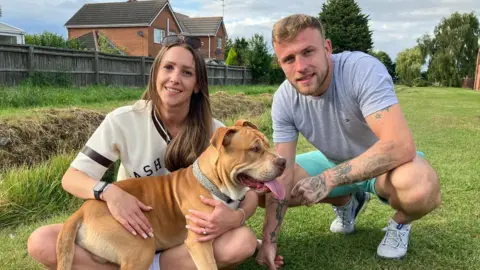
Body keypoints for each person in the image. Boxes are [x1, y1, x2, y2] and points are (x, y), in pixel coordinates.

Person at [27, 35, 258, 270]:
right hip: (127, 228)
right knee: (41, 241)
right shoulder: (123, 120)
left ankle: (144, 264)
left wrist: (235, 218)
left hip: (180, 238)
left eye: (187, 73)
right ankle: (140, 261)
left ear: (198, 84)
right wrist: (111, 194)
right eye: (168, 67)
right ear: (155, 72)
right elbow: (71, 178)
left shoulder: (217, 134)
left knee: (242, 242)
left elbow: (248, 193)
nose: (175, 79)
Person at [255, 14, 441, 269]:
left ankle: (399, 223)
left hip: (385, 166)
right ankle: (347, 201)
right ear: (280, 63)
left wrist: (329, 179)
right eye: (289, 59)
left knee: (421, 188)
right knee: (267, 187)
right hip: (332, 160)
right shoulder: (284, 99)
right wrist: (268, 240)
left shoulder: (361, 70)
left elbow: (400, 144)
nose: (300, 67)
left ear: (327, 48)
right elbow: (283, 173)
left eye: (308, 52)